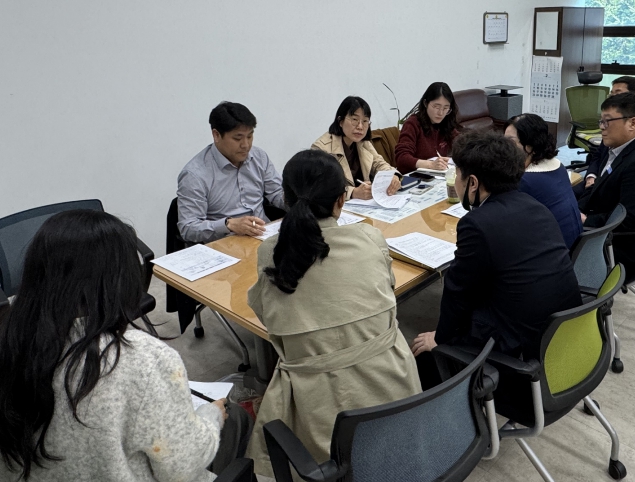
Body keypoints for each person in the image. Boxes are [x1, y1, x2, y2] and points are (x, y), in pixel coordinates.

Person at [0, 210, 251, 482]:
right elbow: (182, 468)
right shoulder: (142, 358)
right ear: (121, 280)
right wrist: (211, 416)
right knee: (234, 417)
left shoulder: (10, 338)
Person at [246, 150, 421, 477]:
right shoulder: (369, 237)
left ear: (285, 199)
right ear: (341, 200)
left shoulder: (272, 251)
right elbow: (388, 290)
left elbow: (269, 320)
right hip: (395, 393)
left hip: (319, 414)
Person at [411, 130, 583, 389]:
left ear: (472, 183)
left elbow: (457, 293)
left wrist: (441, 339)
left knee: (424, 355)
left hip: (524, 357)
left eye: (458, 173)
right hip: (564, 335)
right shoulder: (535, 206)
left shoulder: (477, 224)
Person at [578, 92, 635, 279]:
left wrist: (585, 220)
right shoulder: (618, 150)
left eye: (607, 121)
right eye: (601, 121)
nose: (601, 127)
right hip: (600, 226)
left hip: (617, 245)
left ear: (632, 123)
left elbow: (628, 220)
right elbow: (598, 189)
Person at [177, 101, 284, 244]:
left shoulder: (259, 157)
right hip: (225, 243)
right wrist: (228, 224)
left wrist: (303, 200)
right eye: (237, 138)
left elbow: (277, 194)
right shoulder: (195, 175)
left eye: (250, 136)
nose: (246, 145)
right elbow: (188, 228)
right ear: (216, 135)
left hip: (264, 236)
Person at [575, 76, 635, 198]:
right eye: (611, 94)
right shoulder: (612, 127)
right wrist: (591, 176)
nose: (612, 98)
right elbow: (598, 155)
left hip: (610, 192)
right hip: (595, 182)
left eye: (618, 94)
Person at [505, 113, 583, 248]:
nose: (503, 147)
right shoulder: (558, 165)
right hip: (572, 248)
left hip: (550, 253)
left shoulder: (526, 181)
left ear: (531, 146)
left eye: (510, 142)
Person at [312, 96, 401, 200]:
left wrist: (393, 176)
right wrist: (353, 192)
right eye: (354, 120)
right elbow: (321, 187)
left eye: (365, 121)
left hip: (363, 204)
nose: (360, 126)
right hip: (336, 205)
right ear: (340, 121)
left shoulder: (363, 142)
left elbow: (378, 163)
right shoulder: (321, 148)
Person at [394, 82, 461, 174]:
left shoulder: (445, 124)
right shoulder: (413, 124)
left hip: (436, 176)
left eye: (446, 108)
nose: (441, 113)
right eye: (436, 107)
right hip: (413, 177)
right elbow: (402, 157)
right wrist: (430, 165)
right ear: (425, 103)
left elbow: (462, 144)